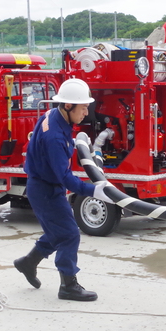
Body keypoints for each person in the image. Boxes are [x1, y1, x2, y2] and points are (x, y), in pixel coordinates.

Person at [13, 78, 113, 302]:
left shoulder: (53, 116)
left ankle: (28, 262)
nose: (86, 112)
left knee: (58, 231)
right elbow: (65, 178)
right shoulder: (55, 137)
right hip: (45, 190)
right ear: (68, 105)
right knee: (69, 234)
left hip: (45, 185)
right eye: (83, 108)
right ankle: (68, 285)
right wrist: (94, 191)